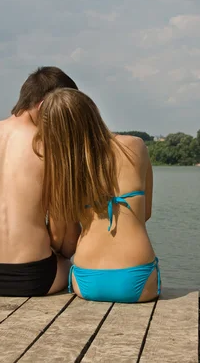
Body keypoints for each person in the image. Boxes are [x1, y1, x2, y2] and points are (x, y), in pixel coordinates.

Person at [0, 67, 81, 297]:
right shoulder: (50, 147)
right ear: (44, 106)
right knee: (74, 267)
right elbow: (63, 229)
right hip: (37, 278)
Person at [33, 88, 160, 303]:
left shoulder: (64, 170)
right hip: (137, 278)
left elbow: (62, 238)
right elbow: (145, 213)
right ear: (93, 111)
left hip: (86, 278)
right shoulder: (135, 146)